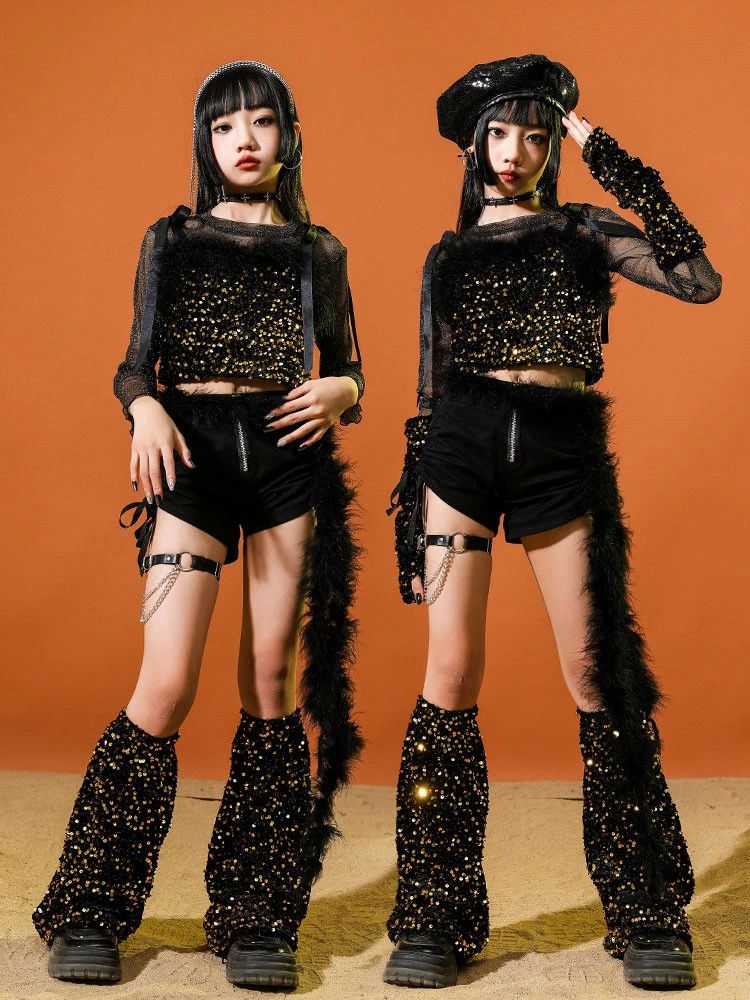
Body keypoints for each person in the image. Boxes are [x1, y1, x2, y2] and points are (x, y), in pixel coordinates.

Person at [385, 54, 721, 991]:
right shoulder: (448, 254)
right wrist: (414, 514)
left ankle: (647, 910)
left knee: (596, 675)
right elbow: (428, 389)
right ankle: (434, 915)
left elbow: (699, 280)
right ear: (473, 145)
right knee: (450, 674)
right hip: (460, 450)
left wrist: (616, 161)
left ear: (554, 147)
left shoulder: (585, 230)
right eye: (500, 133)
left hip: (560, 452)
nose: (516, 151)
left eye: (536, 136)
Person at [32, 59, 365, 990]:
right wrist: (143, 407)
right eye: (224, 126)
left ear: (290, 134)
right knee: (168, 681)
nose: (244, 140)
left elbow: (350, 364)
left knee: (270, 681)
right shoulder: (170, 239)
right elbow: (134, 363)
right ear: (204, 141)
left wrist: (342, 391)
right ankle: (90, 907)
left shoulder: (318, 250)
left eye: (261, 122)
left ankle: (257, 914)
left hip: (288, 463)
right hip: (191, 461)